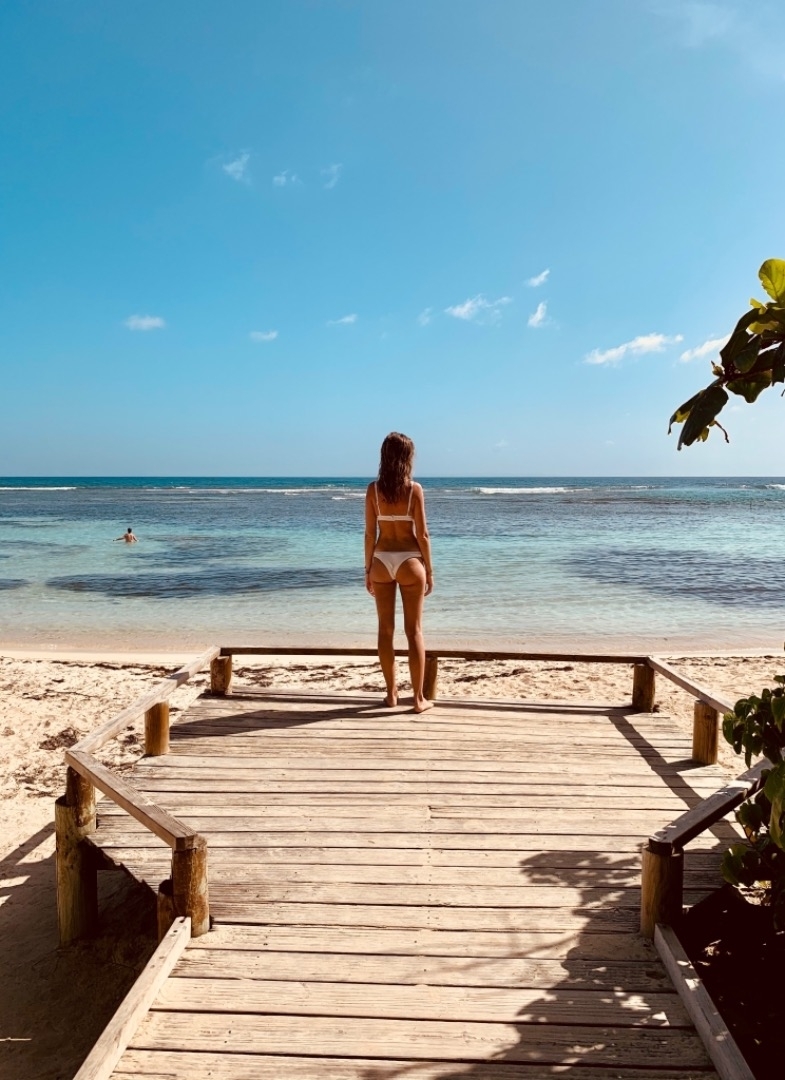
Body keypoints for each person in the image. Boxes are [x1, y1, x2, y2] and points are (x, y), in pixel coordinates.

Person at [365, 432, 434, 712]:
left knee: (385, 630)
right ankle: (418, 699)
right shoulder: (414, 490)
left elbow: (370, 534)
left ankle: (391, 694)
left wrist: (367, 569)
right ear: (407, 457)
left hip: (381, 560)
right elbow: (423, 535)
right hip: (409, 561)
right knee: (414, 631)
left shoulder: (373, 490)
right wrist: (430, 570)